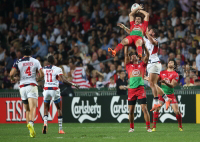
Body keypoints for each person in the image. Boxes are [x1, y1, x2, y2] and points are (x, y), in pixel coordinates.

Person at [117, 24, 172, 111]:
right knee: (152, 83)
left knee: (152, 84)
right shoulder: (145, 39)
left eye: (150, 31)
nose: (148, 31)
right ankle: (166, 99)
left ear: (153, 33)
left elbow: (151, 41)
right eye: (148, 30)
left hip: (155, 63)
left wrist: (146, 33)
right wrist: (124, 27)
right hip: (150, 64)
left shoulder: (155, 40)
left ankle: (156, 102)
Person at [10, 47, 44, 138]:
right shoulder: (36, 61)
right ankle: (31, 124)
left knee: (27, 110)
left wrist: (13, 79)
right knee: (33, 107)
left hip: (22, 87)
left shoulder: (18, 61)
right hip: (31, 86)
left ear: (22, 53)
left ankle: (30, 131)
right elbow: (42, 74)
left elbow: (11, 74)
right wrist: (38, 78)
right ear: (31, 52)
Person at [42, 55, 80, 134]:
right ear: (54, 61)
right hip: (54, 89)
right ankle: (60, 129)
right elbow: (63, 80)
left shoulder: (44, 69)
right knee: (59, 108)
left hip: (46, 90)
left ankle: (45, 124)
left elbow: (39, 78)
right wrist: (74, 84)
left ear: (48, 61)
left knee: (46, 108)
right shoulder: (58, 69)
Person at [124, 45, 152, 132]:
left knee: (144, 108)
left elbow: (147, 55)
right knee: (131, 110)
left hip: (140, 89)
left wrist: (144, 47)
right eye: (131, 55)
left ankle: (148, 128)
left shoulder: (142, 65)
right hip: (131, 90)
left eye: (134, 54)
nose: (133, 55)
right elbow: (125, 55)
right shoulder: (128, 65)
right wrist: (126, 45)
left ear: (137, 57)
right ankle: (131, 128)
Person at [152, 59, 183, 132]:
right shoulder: (162, 73)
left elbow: (172, 85)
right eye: (169, 62)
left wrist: (165, 82)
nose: (170, 63)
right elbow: (155, 81)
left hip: (171, 95)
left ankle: (180, 126)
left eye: (172, 62)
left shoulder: (175, 74)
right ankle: (154, 127)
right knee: (156, 109)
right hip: (162, 95)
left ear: (174, 66)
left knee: (176, 111)